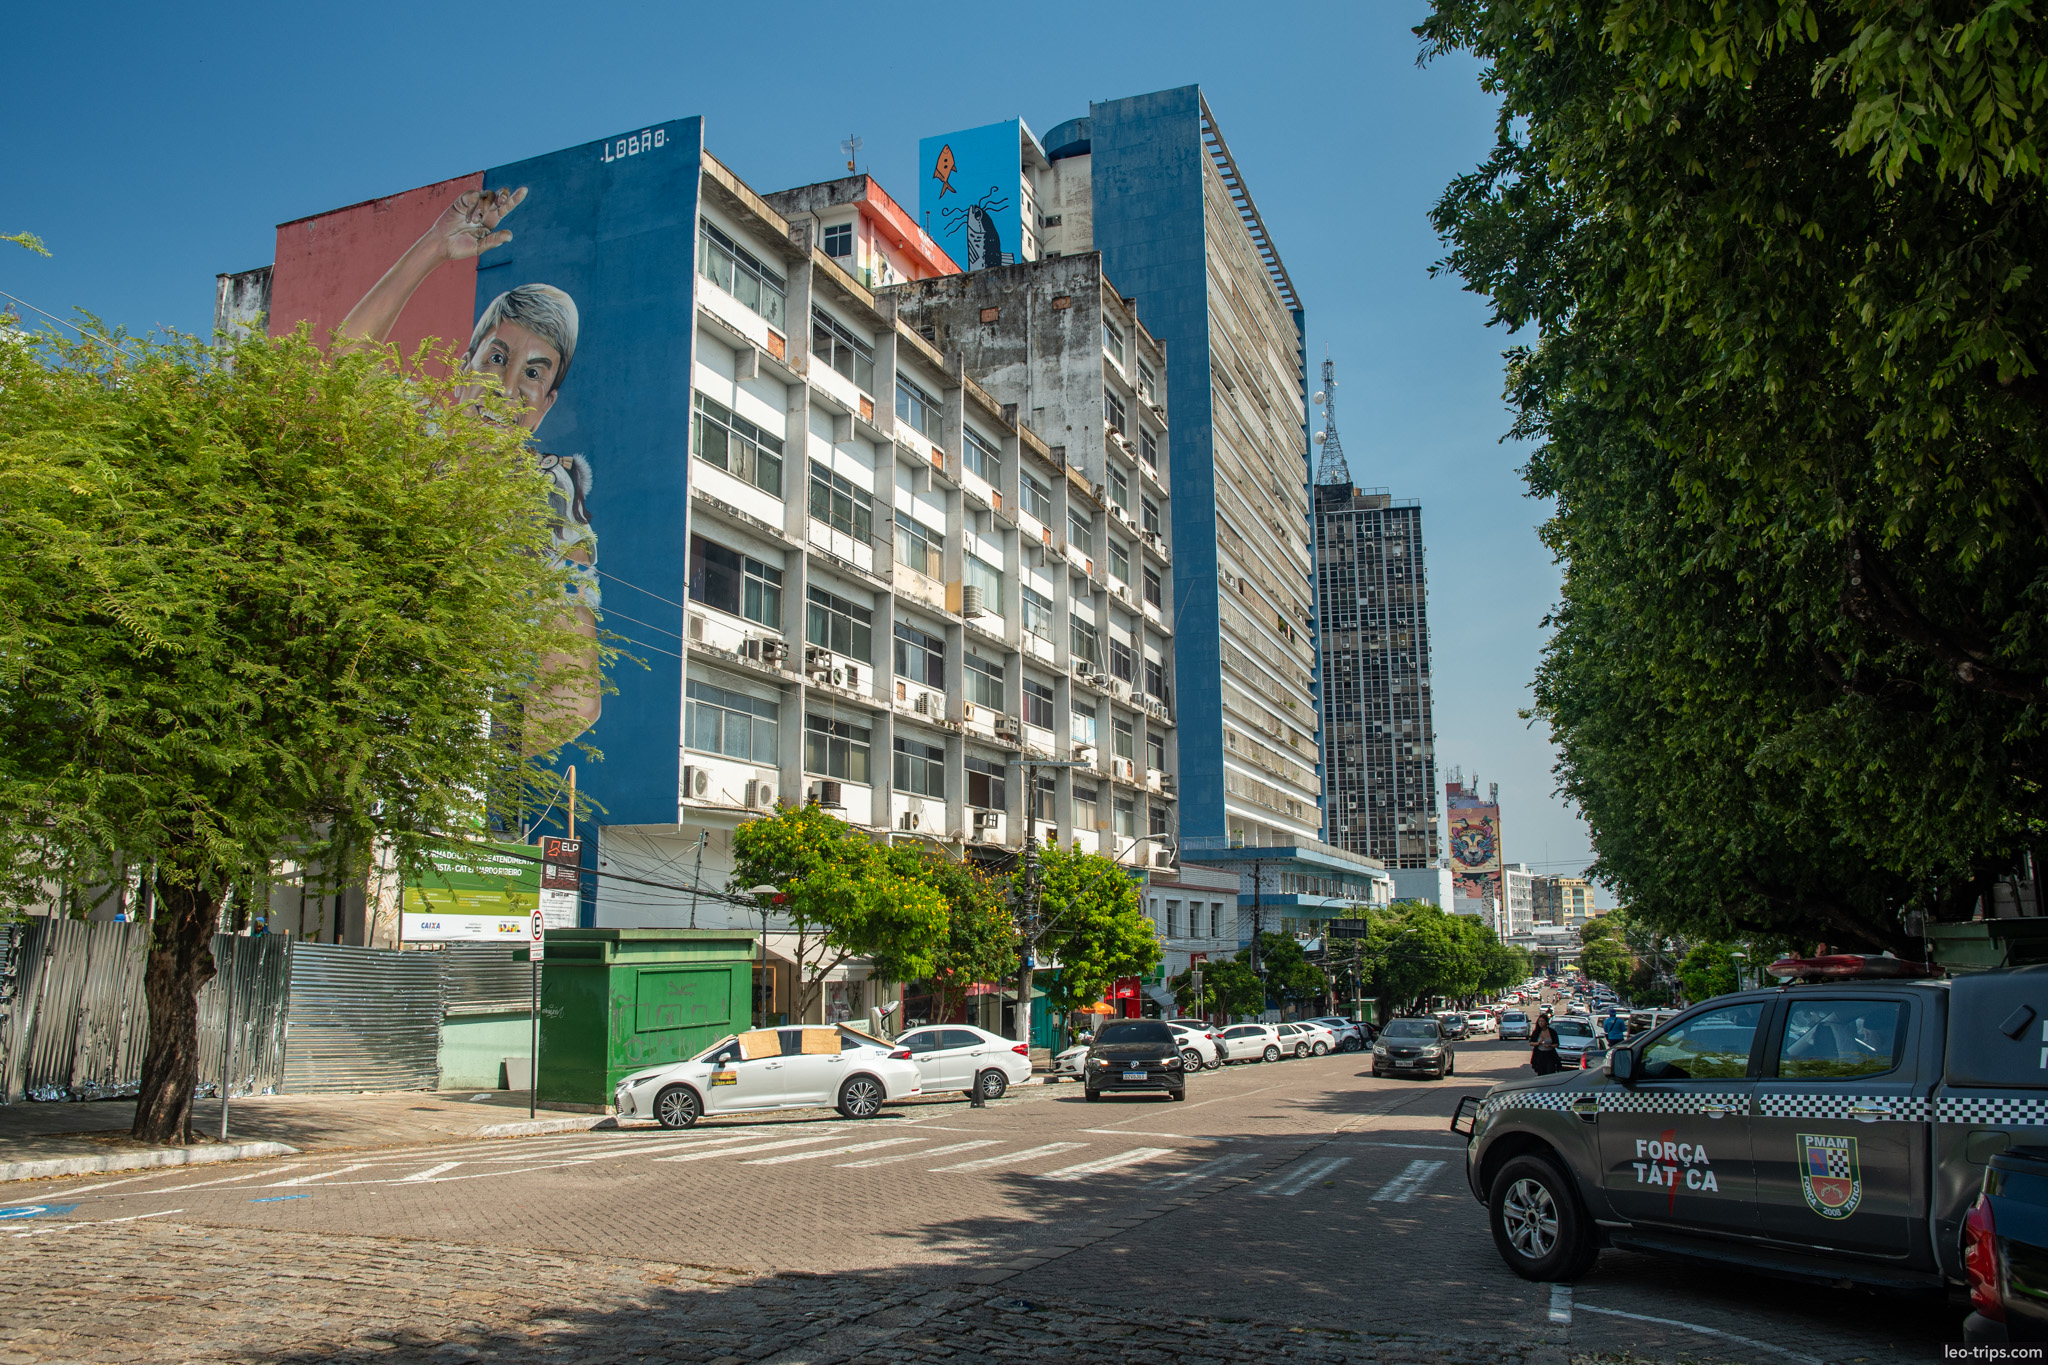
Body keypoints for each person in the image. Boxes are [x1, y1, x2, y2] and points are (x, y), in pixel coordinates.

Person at [336, 186, 602, 749]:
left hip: (420, 775)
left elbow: (574, 694)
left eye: (533, 373)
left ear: (546, 404)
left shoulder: (551, 503)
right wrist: (433, 248)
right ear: (465, 365)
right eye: (498, 358)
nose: (506, 390)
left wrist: (452, 754)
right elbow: (345, 365)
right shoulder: (410, 430)